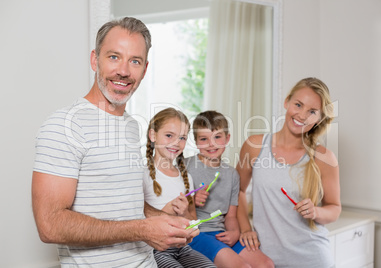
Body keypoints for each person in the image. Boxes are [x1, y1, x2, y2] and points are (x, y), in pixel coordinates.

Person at [31, 17, 198, 267]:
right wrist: (142, 229)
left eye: (135, 61)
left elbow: (127, 205)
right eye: (113, 57)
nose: (124, 70)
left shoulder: (132, 125)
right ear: (94, 60)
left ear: (145, 68)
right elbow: (50, 225)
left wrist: (164, 222)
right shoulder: (64, 125)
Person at [236, 77, 341, 268]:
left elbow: (334, 208)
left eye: (312, 112)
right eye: (298, 105)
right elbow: (237, 191)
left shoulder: (324, 158)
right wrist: (245, 229)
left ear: (319, 118)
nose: (302, 115)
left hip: (312, 258)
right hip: (265, 258)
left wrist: (315, 211)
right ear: (287, 102)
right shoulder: (254, 146)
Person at [186, 111, 275, 268]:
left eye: (217, 137)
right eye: (204, 139)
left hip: (221, 234)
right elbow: (171, 205)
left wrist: (234, 232)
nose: (211, 144)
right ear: (196, 142)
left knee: (266, 264)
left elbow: (231, 216)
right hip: (197, 234)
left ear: (227, 138)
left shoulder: (232, 174)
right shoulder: (185, 167)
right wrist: (191, 200)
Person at [142, 108, 216, 268]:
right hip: (154, 250)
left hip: (182, 248)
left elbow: (193, 221)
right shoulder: (142, 174)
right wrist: (167, 211)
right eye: (169, 135)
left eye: (182, 138)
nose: (176, 143)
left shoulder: (185, 176)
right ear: (153, 135)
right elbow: (135, 219)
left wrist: (183, 213)